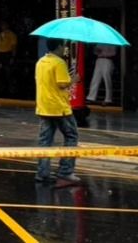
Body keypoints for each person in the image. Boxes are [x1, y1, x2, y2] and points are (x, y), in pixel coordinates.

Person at [35, 38, 80, 187]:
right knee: (71, 136)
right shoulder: (59, 63)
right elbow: (62, 84)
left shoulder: (41, 62)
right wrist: (74, 79)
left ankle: (42, 173)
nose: (64, 50)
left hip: (44, 107)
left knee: (45, 141)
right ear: (59, 47)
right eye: (63, 47)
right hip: (59, 108)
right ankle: (65, 172)